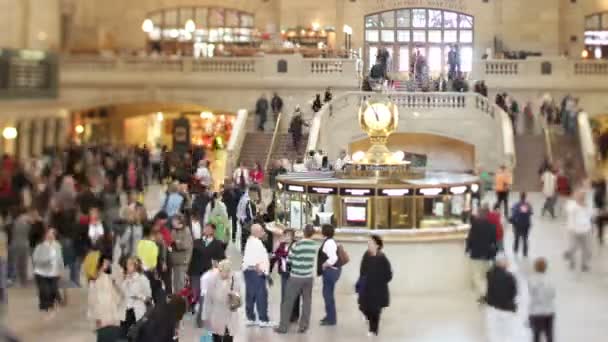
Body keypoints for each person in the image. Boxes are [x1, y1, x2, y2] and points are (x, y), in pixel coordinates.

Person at [274, 225, 317, 334]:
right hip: (308, 277)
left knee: (288, 301)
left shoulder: (297, 245)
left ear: (303, 232)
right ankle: (304, 325)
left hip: (296, 276)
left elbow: (289, 259)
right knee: (307, 302)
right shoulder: (314, 245)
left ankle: (283, 327)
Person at [188, 223, 226, 326]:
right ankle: (197, 308)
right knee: (196, 293)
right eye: (205, 228)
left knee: (203, 295)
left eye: (209, 228)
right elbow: (191, 257)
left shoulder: (217, 244)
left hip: (208, 273)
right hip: (195, 272)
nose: (206, 230)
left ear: (213, 231)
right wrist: (187, 272)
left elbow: (222, 259)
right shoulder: (196, 242)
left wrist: (219, 270)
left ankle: (200, 319)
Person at [357, 235, 392, 337]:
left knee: (375, 310)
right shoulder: (366, 255)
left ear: (377, 245)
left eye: (371, 242)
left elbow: (388, 274)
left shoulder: (382, 258)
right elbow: (362, 271)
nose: (369, 244)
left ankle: (373, 329)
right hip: (366, 288)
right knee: (363, 306)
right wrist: (361, 283)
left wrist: (380, 282)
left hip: (378, 290)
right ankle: (368, 317)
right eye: (368, 242)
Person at [88, 254, 124, 342]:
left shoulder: (109, 278)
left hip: (111, 314)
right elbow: (92, 300)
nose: (107, 265)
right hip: (101, 314)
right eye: (105, 263)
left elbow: (118, 296)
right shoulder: (94, 280)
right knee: (103, 336)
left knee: (111, 336)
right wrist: (96, 316)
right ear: (100, 264)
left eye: (108, 263)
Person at [242, 223, 273, 327]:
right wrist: (259, 268)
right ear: (256, 232)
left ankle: (250, 317)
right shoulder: (256, 242)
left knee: (250, 295)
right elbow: (255, 259)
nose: (263, 233)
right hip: (256, 272)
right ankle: (263, 319)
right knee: (261, 296)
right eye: (261, 231)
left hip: (250, 272)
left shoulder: (250, 241)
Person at [465, 205, 497, 302]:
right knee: (484, 276)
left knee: (476, 276)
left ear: (479, 214)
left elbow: (470, 238)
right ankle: (485, 293)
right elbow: (493, 241)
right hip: (487, 255)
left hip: (476, 254)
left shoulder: (475, 225)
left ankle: (484, 294)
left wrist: (467, 249)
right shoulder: (492, 226)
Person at [271, 228, 300, 329]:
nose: (286, 238)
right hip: (284, 273)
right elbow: (275, 256)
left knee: (293, 295)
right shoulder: (282, 245)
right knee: (284, 296)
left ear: (292, 237)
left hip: (293, 274)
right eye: (285, 236)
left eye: (288, 236)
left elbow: (292, 257)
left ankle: (294, 315)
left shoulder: (296, 245)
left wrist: (282, 255)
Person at [485, 254, 517, 342]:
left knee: (494, 333)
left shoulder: (489, 275)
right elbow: (514, 293)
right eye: (506, 261)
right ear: (501, 263)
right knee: (507, 333)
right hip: (506, 308)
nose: (508, 263)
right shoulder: (510, 277)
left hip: (493, 307)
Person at [32, 227, 63, 317]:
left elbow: (60, 259)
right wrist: (46, 260)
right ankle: (45, 307)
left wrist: (61, 269)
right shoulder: (40, 246)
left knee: (53, 290)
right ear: (45, 235)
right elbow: (35, 259)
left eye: (52, 234)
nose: (50, 235)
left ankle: (50, 306)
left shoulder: (57, 245)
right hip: (41, 273)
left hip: (54, 273)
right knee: (45, 291)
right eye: (49, 233)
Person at [120, 256, 151, 336]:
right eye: (127, 264)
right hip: (127, 310)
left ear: (135, 266)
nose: (127, 267)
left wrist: (139, 296)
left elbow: (149, 297)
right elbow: (122, 293)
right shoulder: (126, 278)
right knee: (124, 334)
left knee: (137, 335)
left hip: (138, 310)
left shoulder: (142, 279)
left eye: (130, 265)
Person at [564, 190, 594, 271]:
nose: (581, 197)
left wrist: (587, 207)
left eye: (583, 195)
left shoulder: (588, 204)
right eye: (579, 195)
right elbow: (570, 211)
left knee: (587, 249)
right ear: (575, 196)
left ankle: (584, 265)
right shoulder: (571, 204)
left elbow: (591, 214)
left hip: (586, 230)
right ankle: (571, 259)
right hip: (574, 230)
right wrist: (579, 204)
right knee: (573, 246)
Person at [317, 224, 341, 326]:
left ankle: (331, 319)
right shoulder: (329, 241)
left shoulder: (329, 243)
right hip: (330, 272)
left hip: (330, 272)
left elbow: (333, 258)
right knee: (327, 294)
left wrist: (324, 264)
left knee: (328, 295)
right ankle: (329, 316)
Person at [529, 257, 555, 342]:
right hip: (549, 311)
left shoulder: (531, 280)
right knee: (549, 335)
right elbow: (553, 294)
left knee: (536, 336)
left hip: (536, 312)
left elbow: (532, 294)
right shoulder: (550, 280)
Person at [169, 214, 193, 293]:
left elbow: (185, 245)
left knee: (181, 283)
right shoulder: (173, 231)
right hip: (175, 261)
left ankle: (182, 300)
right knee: (175, 283)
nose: (172, 222)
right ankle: (176, 299)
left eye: (174, 220)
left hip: (183, 261)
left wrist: (176, 242)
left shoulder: (186, 231)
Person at [510, 192, 533, 258]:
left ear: (520, 197)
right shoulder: (528, 205)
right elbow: (531, 213)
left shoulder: (516, 204)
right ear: (525, 197)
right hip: (526, 224)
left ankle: (515, 250)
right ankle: (525, 252)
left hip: (517, 224)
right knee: (525, 238)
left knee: (516, 238)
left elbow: (513, 213)